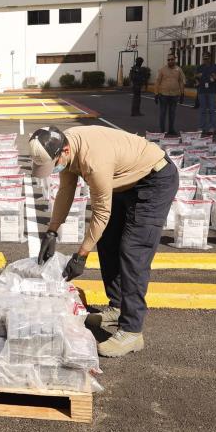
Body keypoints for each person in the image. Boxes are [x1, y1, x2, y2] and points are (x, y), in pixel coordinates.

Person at [32, 125, 178, 358]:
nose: (55, 168)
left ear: (65, 150)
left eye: (54, 163)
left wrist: (81, 255)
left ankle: (132, 331)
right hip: (124, 181)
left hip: (154, 180)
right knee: (107, 241)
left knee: (133, 251)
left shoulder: (93, 159)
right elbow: (65, 190)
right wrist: (51, 230)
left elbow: (101, 213)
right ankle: (118, 305)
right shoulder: (66, 150)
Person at [153, 54, 185, 136]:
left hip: (174, 95)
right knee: (163, 113)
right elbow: (157, 82)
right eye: (168, 60)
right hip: (163, 95)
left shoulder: (179, 70)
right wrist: (156, 94)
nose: (170, 61)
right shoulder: (162, 70)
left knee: (172, 113)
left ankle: (171, 129)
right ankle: (162, 130)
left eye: (172, 59)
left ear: (175, 60)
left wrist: (182, 93)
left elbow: (181, 81)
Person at [194, 52, 216, 135]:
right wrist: (197, 77)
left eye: (207, 58)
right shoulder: (200, 67)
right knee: (202, 110)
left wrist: (215, 76)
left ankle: (212, 127)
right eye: (204, 58)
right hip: (202, 90)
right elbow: (195, 76)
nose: (205, 60)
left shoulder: (215, 66)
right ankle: (202, 128)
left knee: (211, 110)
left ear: (210, 58)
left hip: (212, 90)